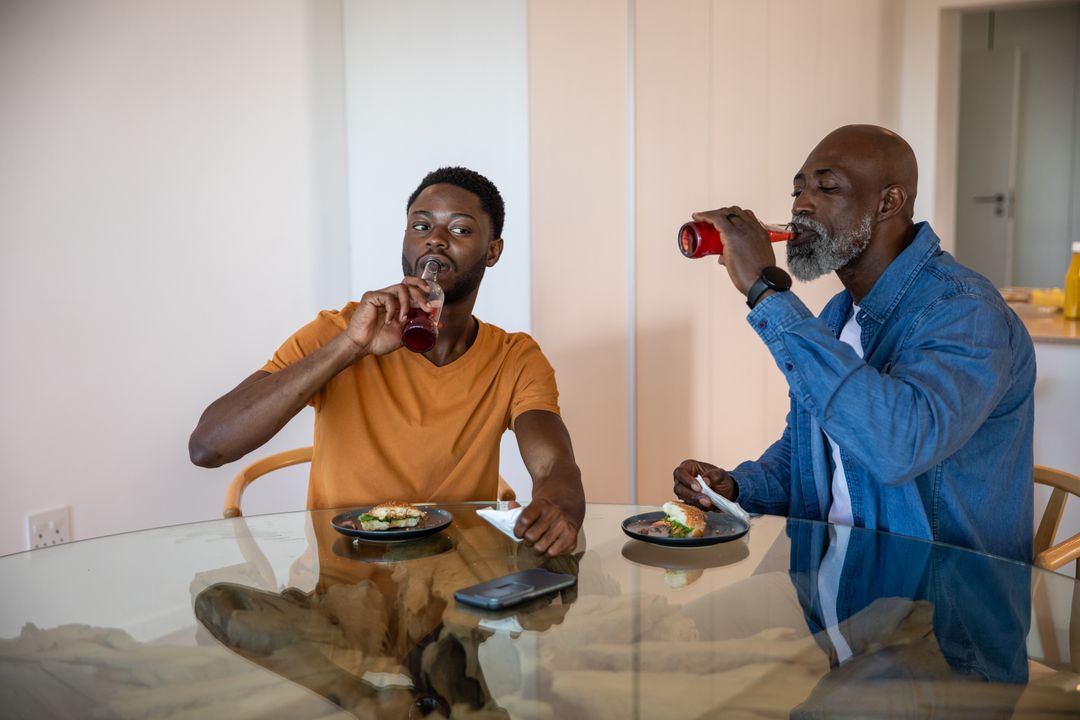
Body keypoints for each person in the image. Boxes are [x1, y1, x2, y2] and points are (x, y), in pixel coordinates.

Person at [673, 125, 1036, 562]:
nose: (802, 204)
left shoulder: (966, 313)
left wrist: (766, 294)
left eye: (827, 187)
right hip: (834, 594)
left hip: (937, 610)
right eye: (798, 189)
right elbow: (812, 453)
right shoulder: (837, 314)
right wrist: (735, 486)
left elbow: (896, 446)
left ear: (889, 202)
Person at [190, 166, 584, 557]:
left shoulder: (514, 357)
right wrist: (351, 347)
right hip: (344, 591)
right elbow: (208, 447)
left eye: (460, 230)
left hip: (458, 592)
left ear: (492, 251)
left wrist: (558, 509)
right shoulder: (339, 330)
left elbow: (554, 467)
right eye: (421, 226)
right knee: (218, 599)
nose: (436, 242)